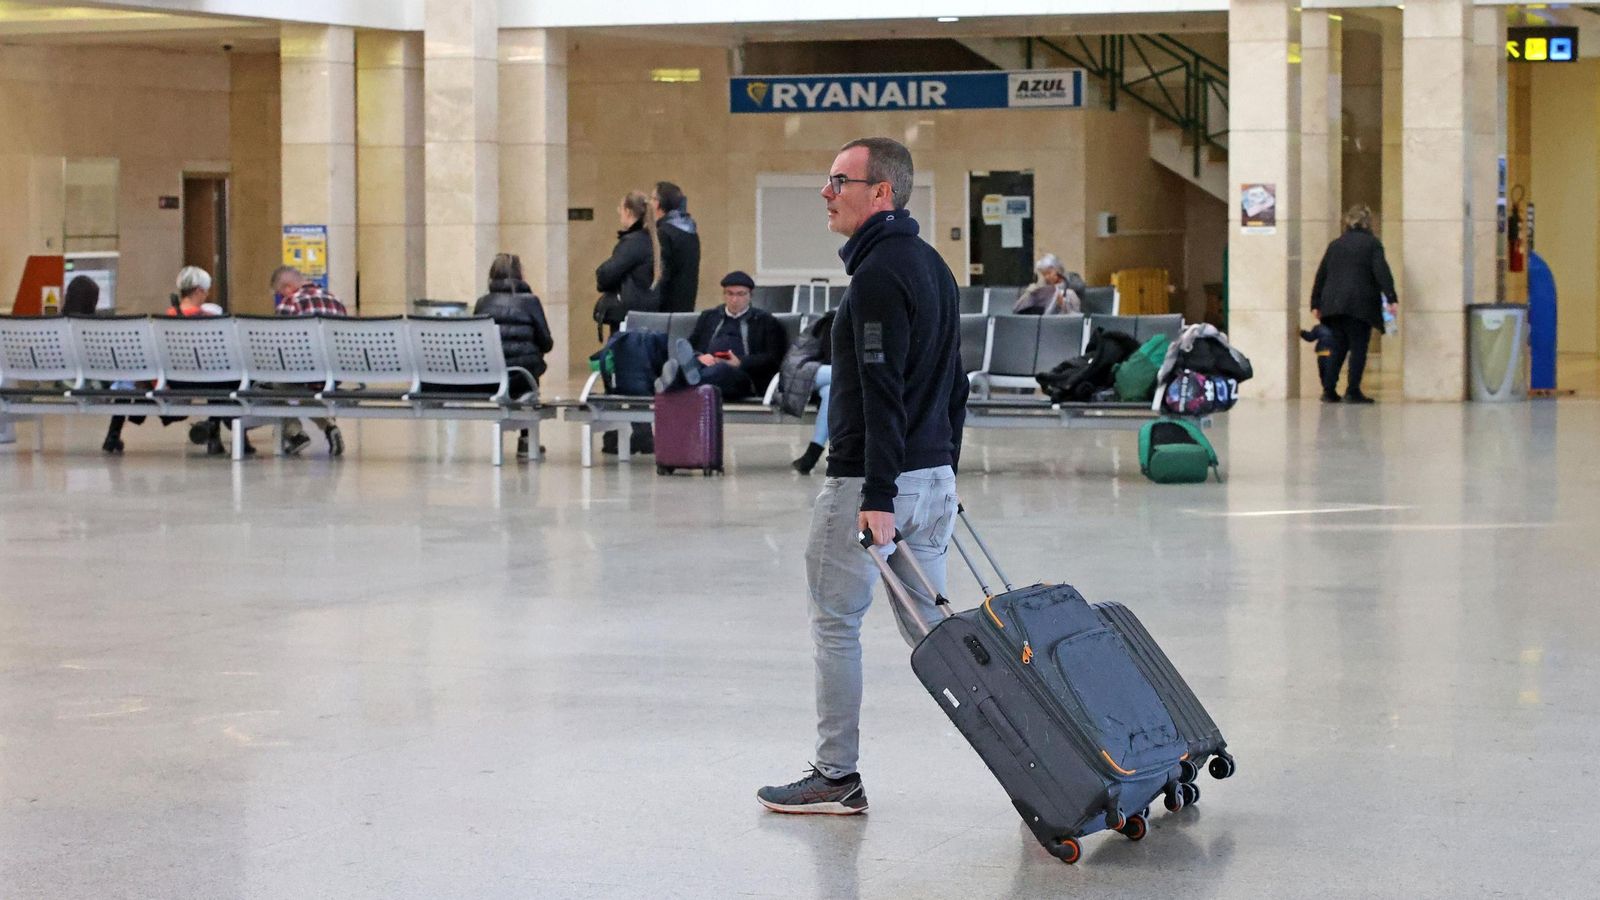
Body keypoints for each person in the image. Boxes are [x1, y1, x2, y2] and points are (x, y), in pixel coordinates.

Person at [757, 137, 967, 815]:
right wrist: (944, 470)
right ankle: (1040, 757)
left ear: (882, 192)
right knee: (939, 641)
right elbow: (954, 386)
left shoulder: (878, 276)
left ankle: (835, 774)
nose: (826, 191)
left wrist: (878, 498)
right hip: (930, 479)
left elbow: (881, 392)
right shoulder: (931, 266)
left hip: (873, 486)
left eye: (839, 180)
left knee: (836, 624)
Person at [595, 191, 663, 456]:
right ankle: (629, 434)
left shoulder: (633, 243)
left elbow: (605, 275)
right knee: (632, 375)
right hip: (643, 315)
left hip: (627, 318)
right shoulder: (649, 241)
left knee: (622, 375)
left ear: (628, 212)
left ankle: (636, 434)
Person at [1310, 204, 1398, 404]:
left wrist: (1316, 302)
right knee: (1358, 348)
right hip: (1360, 305)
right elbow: (1381, 272)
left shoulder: (1335, 244)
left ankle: (1329, 390)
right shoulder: (1372, 244)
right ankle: (1352, 390)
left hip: (1332, 305)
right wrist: (1391, 298)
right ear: (1368, 223)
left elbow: (1322, 274)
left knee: (1338, 347)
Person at [655, 271, 788, 403]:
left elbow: (773, 359)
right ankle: (688, 375)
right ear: (724, 295)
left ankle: (675, 382)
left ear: (750, 296)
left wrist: (740, 362)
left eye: (740, 294)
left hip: (742, 374)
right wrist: (699, 356)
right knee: (693, 363)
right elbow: (692, 344)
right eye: (729, 293)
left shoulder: (765, 321)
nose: (734, 299)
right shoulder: (709, 316)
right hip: (706, 364)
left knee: (720, 370)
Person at [474, 253, 554, 460]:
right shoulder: (530, 302)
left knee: (519, 363)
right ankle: (526, 439)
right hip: (522, 378)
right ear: (520, 275)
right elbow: (546, 342)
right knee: (529, 365)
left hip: (491, 377)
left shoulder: (482, 304)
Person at [270, 266, 347, 455]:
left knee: (274, 383)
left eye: (280, 292)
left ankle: (295, 433)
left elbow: (278, 347)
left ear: (288, 287)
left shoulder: (289, 304)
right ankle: (328, 427)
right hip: (335, 374)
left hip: (302, 372)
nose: (281, 297)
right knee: (302, 386)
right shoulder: (336, 301)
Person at [789, 310, 834, 475]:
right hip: (804, 374)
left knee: (831, 391)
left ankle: (813, 453)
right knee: (850, 375)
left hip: (829, 381)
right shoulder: (834, 319)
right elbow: (833, 358)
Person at [654, 181, 700, 314]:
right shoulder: (691, 231)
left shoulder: (663, 232)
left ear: (658, 204)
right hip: (686, 303)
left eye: (652, 199)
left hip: (666, 308)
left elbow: (662, 274)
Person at [1012, 253, 1083, 315]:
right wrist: (1029, 293)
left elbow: (1076, 315)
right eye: (1044, 274)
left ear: (1058, 270)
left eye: (1049, 273)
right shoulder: (1043, 288)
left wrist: (1062, 302)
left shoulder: (1070, 285)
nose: (1046, 277)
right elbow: (1016, 309)